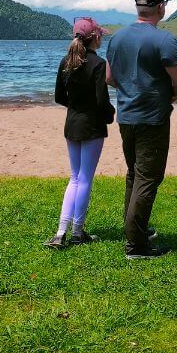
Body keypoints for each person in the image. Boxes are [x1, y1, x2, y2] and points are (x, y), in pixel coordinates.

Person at [106, 0, 177, 259]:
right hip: (153, 117)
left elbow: (109, 78)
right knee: (148, 177)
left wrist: (130, 89)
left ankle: (135, 231)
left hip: (126, 115)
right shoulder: (164, 40)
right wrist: (168, 97)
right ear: (160, 6)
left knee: (134, 173)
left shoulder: (117, 38)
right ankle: (136, 245)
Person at [44, 17, 115, 249]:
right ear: (94, 37)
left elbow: (58, 97)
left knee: (74, 177)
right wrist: (109, 114)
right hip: (92, 126)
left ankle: (60, 231)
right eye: (100, 34)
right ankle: (77, 231)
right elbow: (101, 99)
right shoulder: (98, 63)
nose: (102, 37)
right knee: (85, 178)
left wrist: (75, 107)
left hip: (72, 125)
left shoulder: (66, 61)